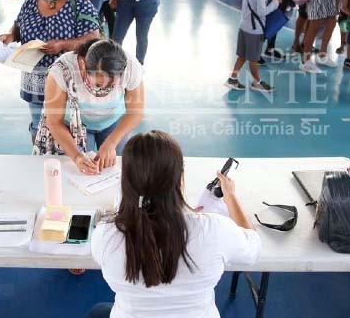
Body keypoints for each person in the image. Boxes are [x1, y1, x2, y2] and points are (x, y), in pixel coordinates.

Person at [88, 130, 260, 318]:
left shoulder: (105, 235)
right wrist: (230, 197)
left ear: (126, 182)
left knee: (98, 312)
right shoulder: (215, 230)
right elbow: (253, 248)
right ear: (179, 180)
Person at [0, 0, 101, 140]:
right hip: (35, 80)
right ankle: (41, 159)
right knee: (38, 128)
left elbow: (94, 37)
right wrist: (10, 36)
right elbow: (19, 27)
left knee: (67, 128)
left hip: (67, 80)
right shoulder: (30, 3)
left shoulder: (78, 2)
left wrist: (63, 45)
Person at [43, 38, 144, 172]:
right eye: (98, 85)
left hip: (114, 122)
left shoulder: (131, 67)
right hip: (76, 126)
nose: (103, 91)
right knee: (83, 168)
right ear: (84, 66)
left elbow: (135, 112)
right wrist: (77, 156)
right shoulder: (60, 71)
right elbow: (55, 122)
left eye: (111, 86)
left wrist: (112, 142)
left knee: (120, 169)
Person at [226, 0, 278, 93]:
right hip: (254, 30)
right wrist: (275, 3)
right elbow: (262, 12)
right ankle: (257, 82)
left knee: (242, 55)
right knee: (254, 58)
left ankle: (233, 78)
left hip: (244, 26)